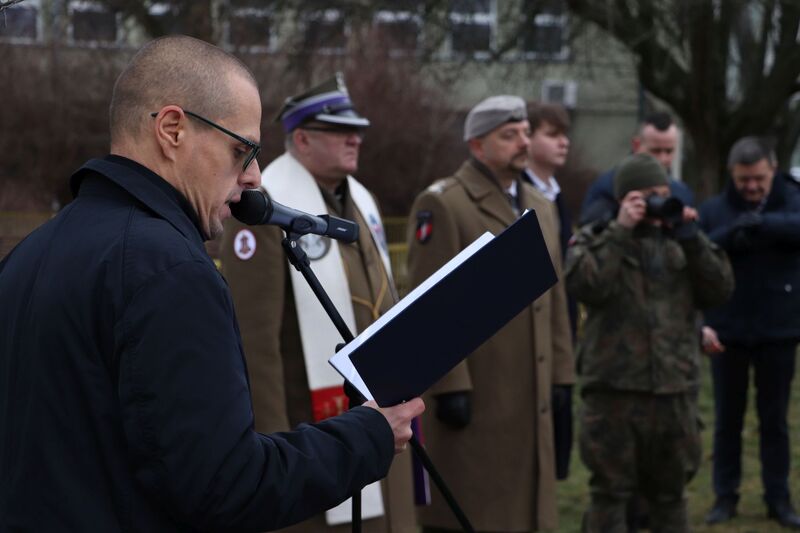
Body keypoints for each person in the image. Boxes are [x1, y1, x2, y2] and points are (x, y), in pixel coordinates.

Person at [0, 35, 424, 532]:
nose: (255, 178)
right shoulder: (170, 271)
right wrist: (366, 437)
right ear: (172, 129)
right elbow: (226, 487)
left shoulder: (27, 255)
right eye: (242, 150)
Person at [220, 74, 417, 533]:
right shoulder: (263, 208)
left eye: (359, 130)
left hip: (376, 415)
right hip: (309, 431)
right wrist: (270, 455)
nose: (355, 138)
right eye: (338, 129)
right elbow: (257, 343)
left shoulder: (359, 200)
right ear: (302, 138)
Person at [405, 95, 575, 532]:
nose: (523, 142)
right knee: (478, 508)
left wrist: (561, 374)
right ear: (477, 146)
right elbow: (429, 303)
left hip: (530, 387)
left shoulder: (541, 203)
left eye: (524, 132)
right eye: (509, 135)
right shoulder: (445, 203)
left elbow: (554, 297)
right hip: (482, 389)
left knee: (528, 509)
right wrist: (449, 386)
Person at [566, 153, 733, 533]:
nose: (657, 201)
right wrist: (621, 230)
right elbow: (585, 285)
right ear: (624, 199)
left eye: (662, 193)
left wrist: (692, 240)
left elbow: (720, 288)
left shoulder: (683, 241)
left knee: (670, 497)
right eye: (645, 195)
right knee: (609, 496)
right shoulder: (598, 237)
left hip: (674, 393)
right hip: (613, 393)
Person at [699, 137, 800, 529]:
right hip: (729, 329)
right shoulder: (715, 209)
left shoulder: (790, 200)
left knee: (774, 420)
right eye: (744, 180)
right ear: (732, 175)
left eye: (758, 178)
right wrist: (733, 233)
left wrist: (763, 224)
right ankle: (726, 495)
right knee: (728, 419)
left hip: (778, 329)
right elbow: (703, 248)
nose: (752, 187)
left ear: (772, 169)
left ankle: (778, 498)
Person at [522, 101, 575, 481]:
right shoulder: (519, 196)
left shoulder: (557, 196)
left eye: (565, 135)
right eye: (552, 134)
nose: (564, 143)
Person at [580, 112, 695, 227]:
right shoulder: (608, 188)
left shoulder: (681, 193)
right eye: (655, 151)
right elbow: (588, 236)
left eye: (669, 151)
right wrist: (621, 226)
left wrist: (684, 228)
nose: (663, 159)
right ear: (636, 145)